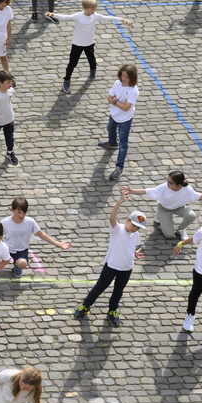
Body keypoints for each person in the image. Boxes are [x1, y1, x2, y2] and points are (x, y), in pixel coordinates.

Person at [72, 191, 146, 326]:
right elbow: (112, 218)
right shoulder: (117, 229)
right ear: (127, 220)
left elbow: (131, 246)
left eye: (138, 227)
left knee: (118, 291)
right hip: (111, 266)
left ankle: (112, 310)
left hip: (126, 268)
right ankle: (85, 305)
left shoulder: (135, 235)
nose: (136, 229)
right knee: (99, 287)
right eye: (134, 225)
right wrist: (119, 203)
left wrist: (134, 253)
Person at [99, 63, 139, 181]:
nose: (123, 79)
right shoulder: (117, 84)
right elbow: (109, 98)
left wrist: (115, 101)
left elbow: (126, 108)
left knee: (123, 143)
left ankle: (119, 167)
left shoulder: (134, 91)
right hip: (114, 115)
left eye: (126, 77)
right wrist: (117, 102)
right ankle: (112, 143)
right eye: (122, 76)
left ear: (132, 78)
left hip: (125, 119)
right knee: (110, 128)